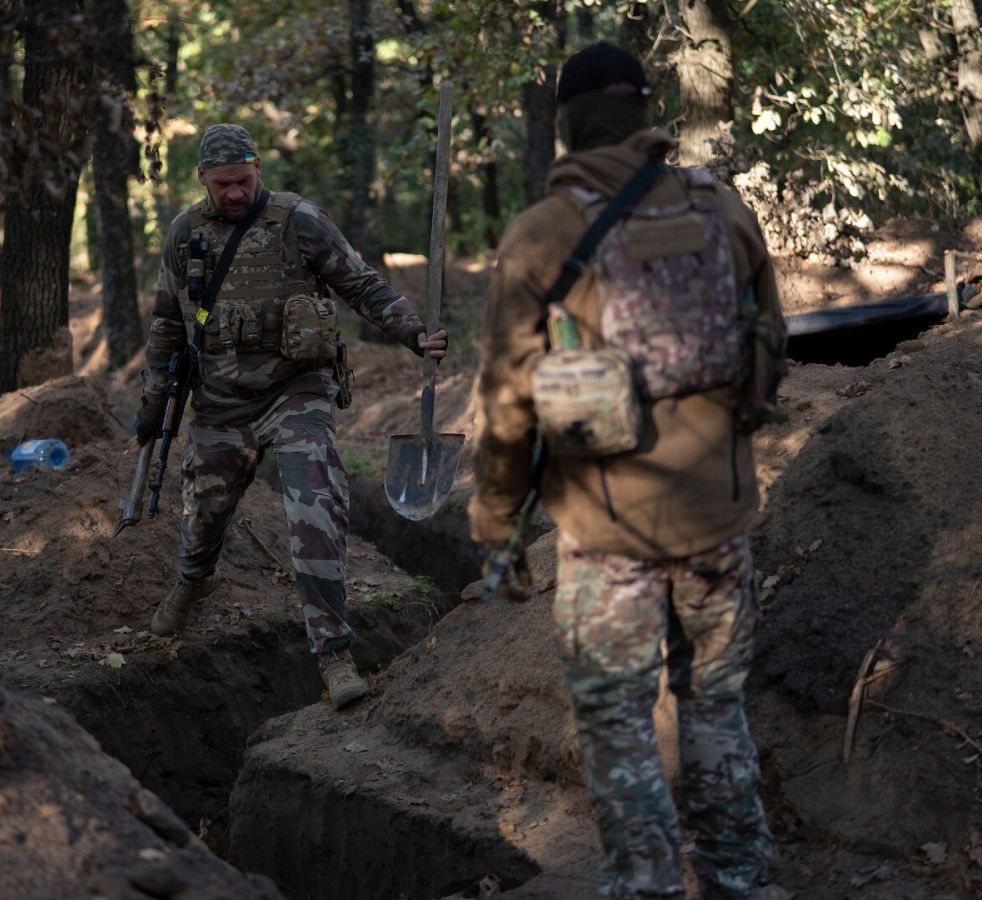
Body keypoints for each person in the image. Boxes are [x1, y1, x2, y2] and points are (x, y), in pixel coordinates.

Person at [468, 44, 787, 899]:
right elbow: (770, 344)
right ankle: (742, 878)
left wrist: (497, 516)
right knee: (716, 703)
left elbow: (506, 397)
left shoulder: (543, 233)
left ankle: (644, 885)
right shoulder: (724, 208)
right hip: (717, 514)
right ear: (647, 114)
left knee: (616, 717)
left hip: (607, 529)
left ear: (568, 126)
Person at [136, 123, 448, 708]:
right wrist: (153, 404)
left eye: (245, 181)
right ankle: (191, 581)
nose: (235, 193)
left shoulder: (298, 220)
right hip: (221, 404)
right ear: (202, 178)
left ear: (259, 170)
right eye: (223, 184)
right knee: (203, 518)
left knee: (315, 506)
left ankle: (332, 654)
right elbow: (166, 323)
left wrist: (414, 332)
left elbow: (360, 284)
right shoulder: (184, 234)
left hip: (296, 392)